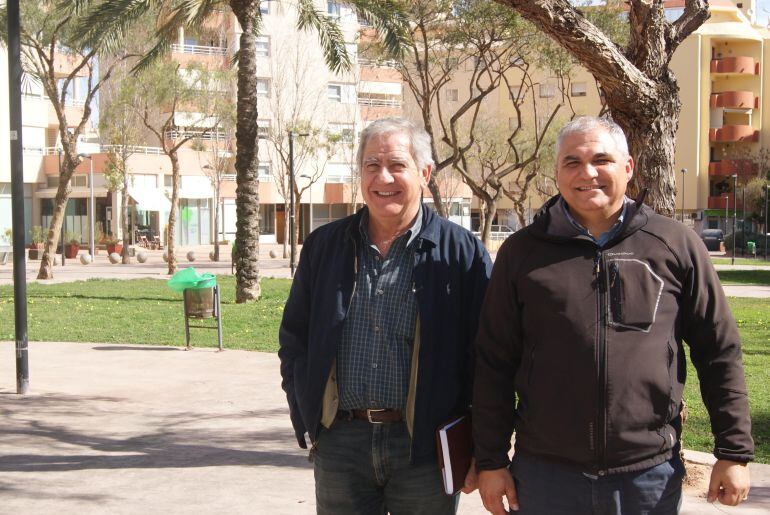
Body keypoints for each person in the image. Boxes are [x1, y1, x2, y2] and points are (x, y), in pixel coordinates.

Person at [473, 116, 754, 514]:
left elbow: (719, 351)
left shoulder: (674, 244)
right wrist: (491, 461)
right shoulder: (521, 254)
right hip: (544, 476)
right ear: (557, 174)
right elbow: (493, 363)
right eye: (572, 162)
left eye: (601, 159)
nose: (587, 173)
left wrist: (733, 451)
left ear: (628, 167)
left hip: (647, 477)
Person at [279, 117, 492, 514]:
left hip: (425, 448)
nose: (383, 177)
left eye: (397, 165)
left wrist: (480, 443)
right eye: (371, 165)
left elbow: (487, 356)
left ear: (425, 173)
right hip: (340, 443)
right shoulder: (325, 246)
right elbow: (294, 340)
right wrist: (307, 415)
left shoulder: (461, 252)